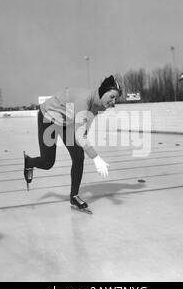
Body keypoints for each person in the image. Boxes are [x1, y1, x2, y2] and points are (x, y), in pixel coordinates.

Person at [24, 75, 122, 213]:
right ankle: (29, 162)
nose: (114, 102)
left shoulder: (101, 105)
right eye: (112, 97)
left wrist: (83, 135)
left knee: (78, 157)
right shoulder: (83, 100)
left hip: (66, 120)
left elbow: (86, 121)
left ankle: (74, 196)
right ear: (103, 91)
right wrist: (96, 157)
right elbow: (79, 133)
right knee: (47, 162)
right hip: (48, 117)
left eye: (116, 99)